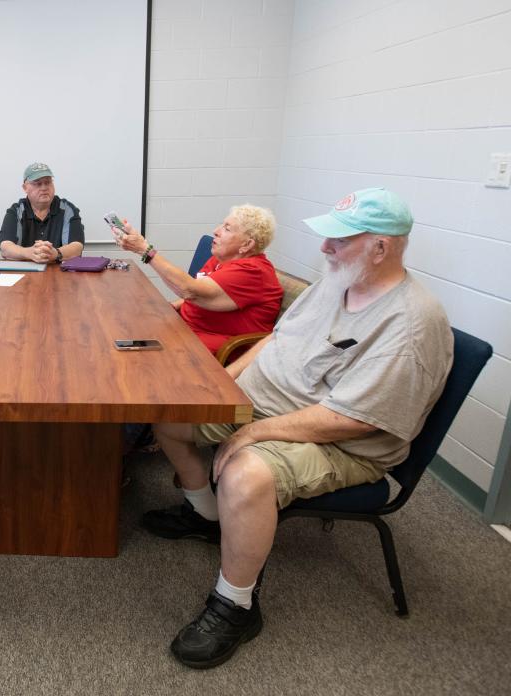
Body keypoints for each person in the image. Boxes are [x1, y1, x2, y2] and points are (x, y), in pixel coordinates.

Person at [141, 188, 453, 669]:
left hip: (343, 441)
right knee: (167, 412)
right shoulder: (336, 282)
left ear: (381, 247)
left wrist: (252, 433)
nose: (324, 249)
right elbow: (274, 340)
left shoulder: (410, 324)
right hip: (267, 406)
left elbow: (349, 419)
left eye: (338, 240)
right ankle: (206, 518)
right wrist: (220, 384)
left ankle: (235, 606)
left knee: (246, 474)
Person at [116, 205, 283, 355]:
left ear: (246, 245)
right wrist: (175, 305)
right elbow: (191, 292)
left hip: (206, 348)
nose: (216, 231)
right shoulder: (222, 258)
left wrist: (145, 250)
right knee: (123, 329)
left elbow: (191, 291)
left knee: (132, 355)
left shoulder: (252, 271)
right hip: (185, 329)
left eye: (227, 229)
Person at [0, 162, 84, 264]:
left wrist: (56, 253)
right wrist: (29, 253)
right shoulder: (16, 210)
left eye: (48, 182)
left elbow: (77, 246)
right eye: (38, 183)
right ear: (25, 188)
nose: (44, 188)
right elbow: (6, 247)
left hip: (60, 272)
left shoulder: (67, 209)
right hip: (24, 272)